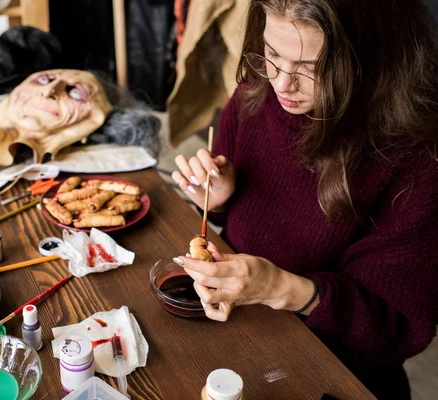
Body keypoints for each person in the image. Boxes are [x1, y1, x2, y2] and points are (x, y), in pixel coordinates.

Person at [171, 1, 438, 399]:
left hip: (335, 366)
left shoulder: (416, 155)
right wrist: (220, 197)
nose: (282, 84)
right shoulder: (256, 92)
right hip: (239, 326)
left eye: (313, 68)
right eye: (272, 54)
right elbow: (243, 223)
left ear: (374, 57)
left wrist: (281, 287)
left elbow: (394, 327)